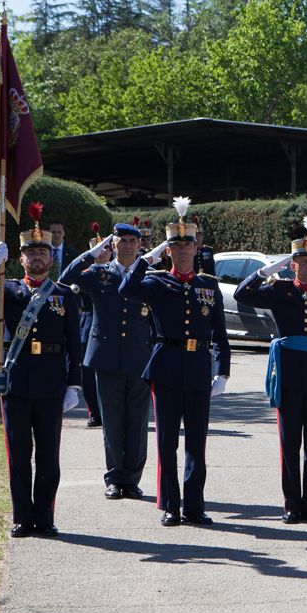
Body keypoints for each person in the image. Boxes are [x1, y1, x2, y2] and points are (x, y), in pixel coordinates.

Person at [0, 204, 82, 538]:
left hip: (51, 384)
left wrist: (74, 385)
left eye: (42, 252)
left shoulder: (64, 296)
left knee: (48, 456)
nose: (37, 258)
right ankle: (22, 517)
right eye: (31, 253)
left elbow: (75, 344)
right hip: (16, 384)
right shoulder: (9, 291)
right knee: (18, 456)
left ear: (51, 257)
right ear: (21, 258)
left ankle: (44, 517)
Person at [119, 198, 231, 527]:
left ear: (197, 249)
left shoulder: (208, 286)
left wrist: (222, 371)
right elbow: (126, 289)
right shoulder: (156, 281)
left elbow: (220, 332)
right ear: (169, 251)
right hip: (166, 366)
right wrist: (146, 257)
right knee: (167, 442)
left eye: (188, 246)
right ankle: (171, 504)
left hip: (198, 367)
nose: (183, 252)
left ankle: (194, 506)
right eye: (176, 247)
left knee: (197, 441)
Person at [234, 216, 307, 524]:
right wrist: (268, 270)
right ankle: (291, 504)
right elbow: (243, 294)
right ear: (293, 264)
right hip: (288, 374)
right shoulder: (280, 290)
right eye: (301, 261)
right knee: (289, 442)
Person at [60, 221, 155, 501]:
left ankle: (132, 479)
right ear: (112, 245)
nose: (126, 245)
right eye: (121, 240)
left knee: (137, 423)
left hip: (140, 357)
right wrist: (91, 254)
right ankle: (114, 478)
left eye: (131, 241)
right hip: (107, 357)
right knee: (112, 422)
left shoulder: (148, 275)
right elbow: (65, 279)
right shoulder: (99, 273)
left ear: (140, 245)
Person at [75, 225, 110, 428]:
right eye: (99, 250)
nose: (103, 253)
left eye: (106, 249)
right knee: (87, 374)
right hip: (87, 325)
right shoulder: (86, 274)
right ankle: (94, 412)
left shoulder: (116, 271)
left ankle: (108, 411)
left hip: (108, 325)